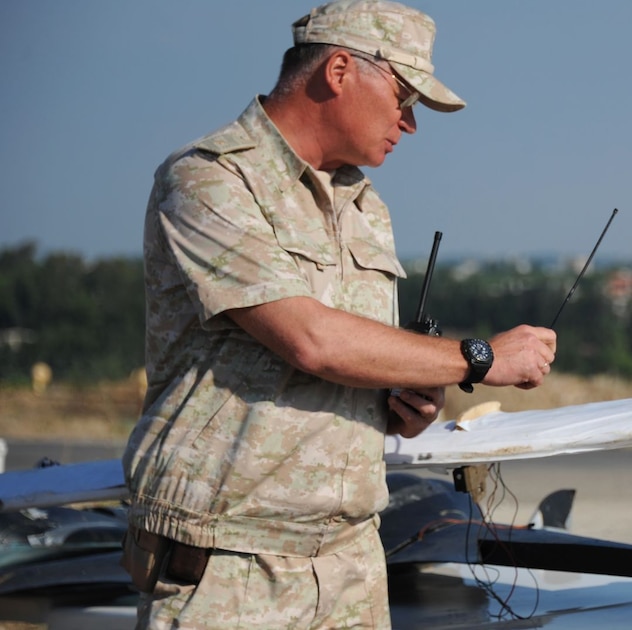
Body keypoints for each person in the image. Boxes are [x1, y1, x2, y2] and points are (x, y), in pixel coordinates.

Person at [120, 1, 557, 627]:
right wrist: (477, 358)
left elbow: (350, 359)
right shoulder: (209, 181)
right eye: (404, 97)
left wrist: (403, 403)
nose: (409, 124)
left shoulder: (364, 206)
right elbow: (311, 341)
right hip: (231, 566)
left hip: (351, 565)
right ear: (341, 71)